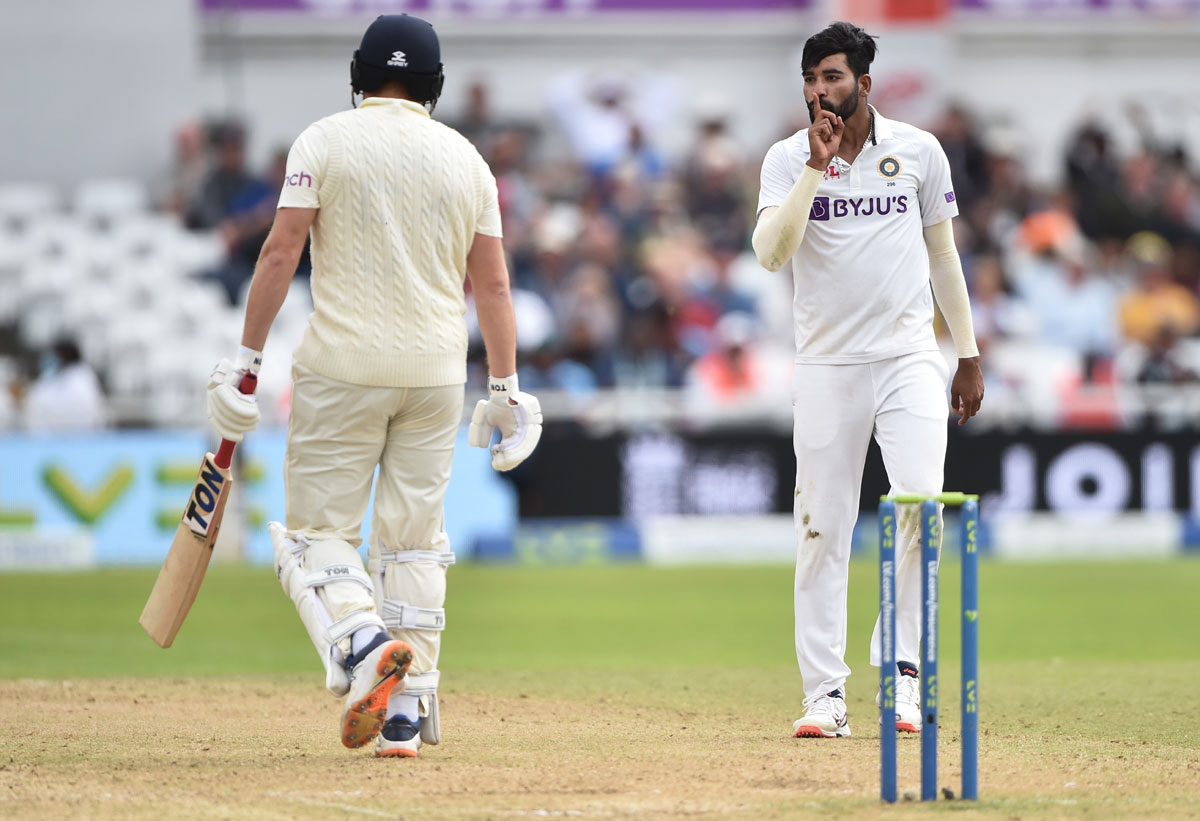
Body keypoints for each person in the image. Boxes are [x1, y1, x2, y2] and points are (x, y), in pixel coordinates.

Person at [204, 14, 542, 759]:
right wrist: (508, 387)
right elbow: (492, 283)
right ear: (435, 85)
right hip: (434, 374)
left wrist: (245, 362)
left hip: (342, 368)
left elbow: (278, 254)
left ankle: (360, 641)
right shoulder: (468, 159)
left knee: (312, 537)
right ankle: (406, 714)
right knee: (414, 544)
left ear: (358, 75)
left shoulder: (322, 140)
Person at [752, 22, 984, 739]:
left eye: (831, 77)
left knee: (918, 507)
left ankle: (904, 676)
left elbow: (942, 254)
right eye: (810, 80)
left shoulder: (918, 150)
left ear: (864, 83)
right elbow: (770, 254)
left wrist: (968, 353)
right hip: (827, 364)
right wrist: (817, 170)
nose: (820, 91)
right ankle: (824, 694)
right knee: (823, 527)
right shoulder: (788, 159)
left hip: (910, 356)